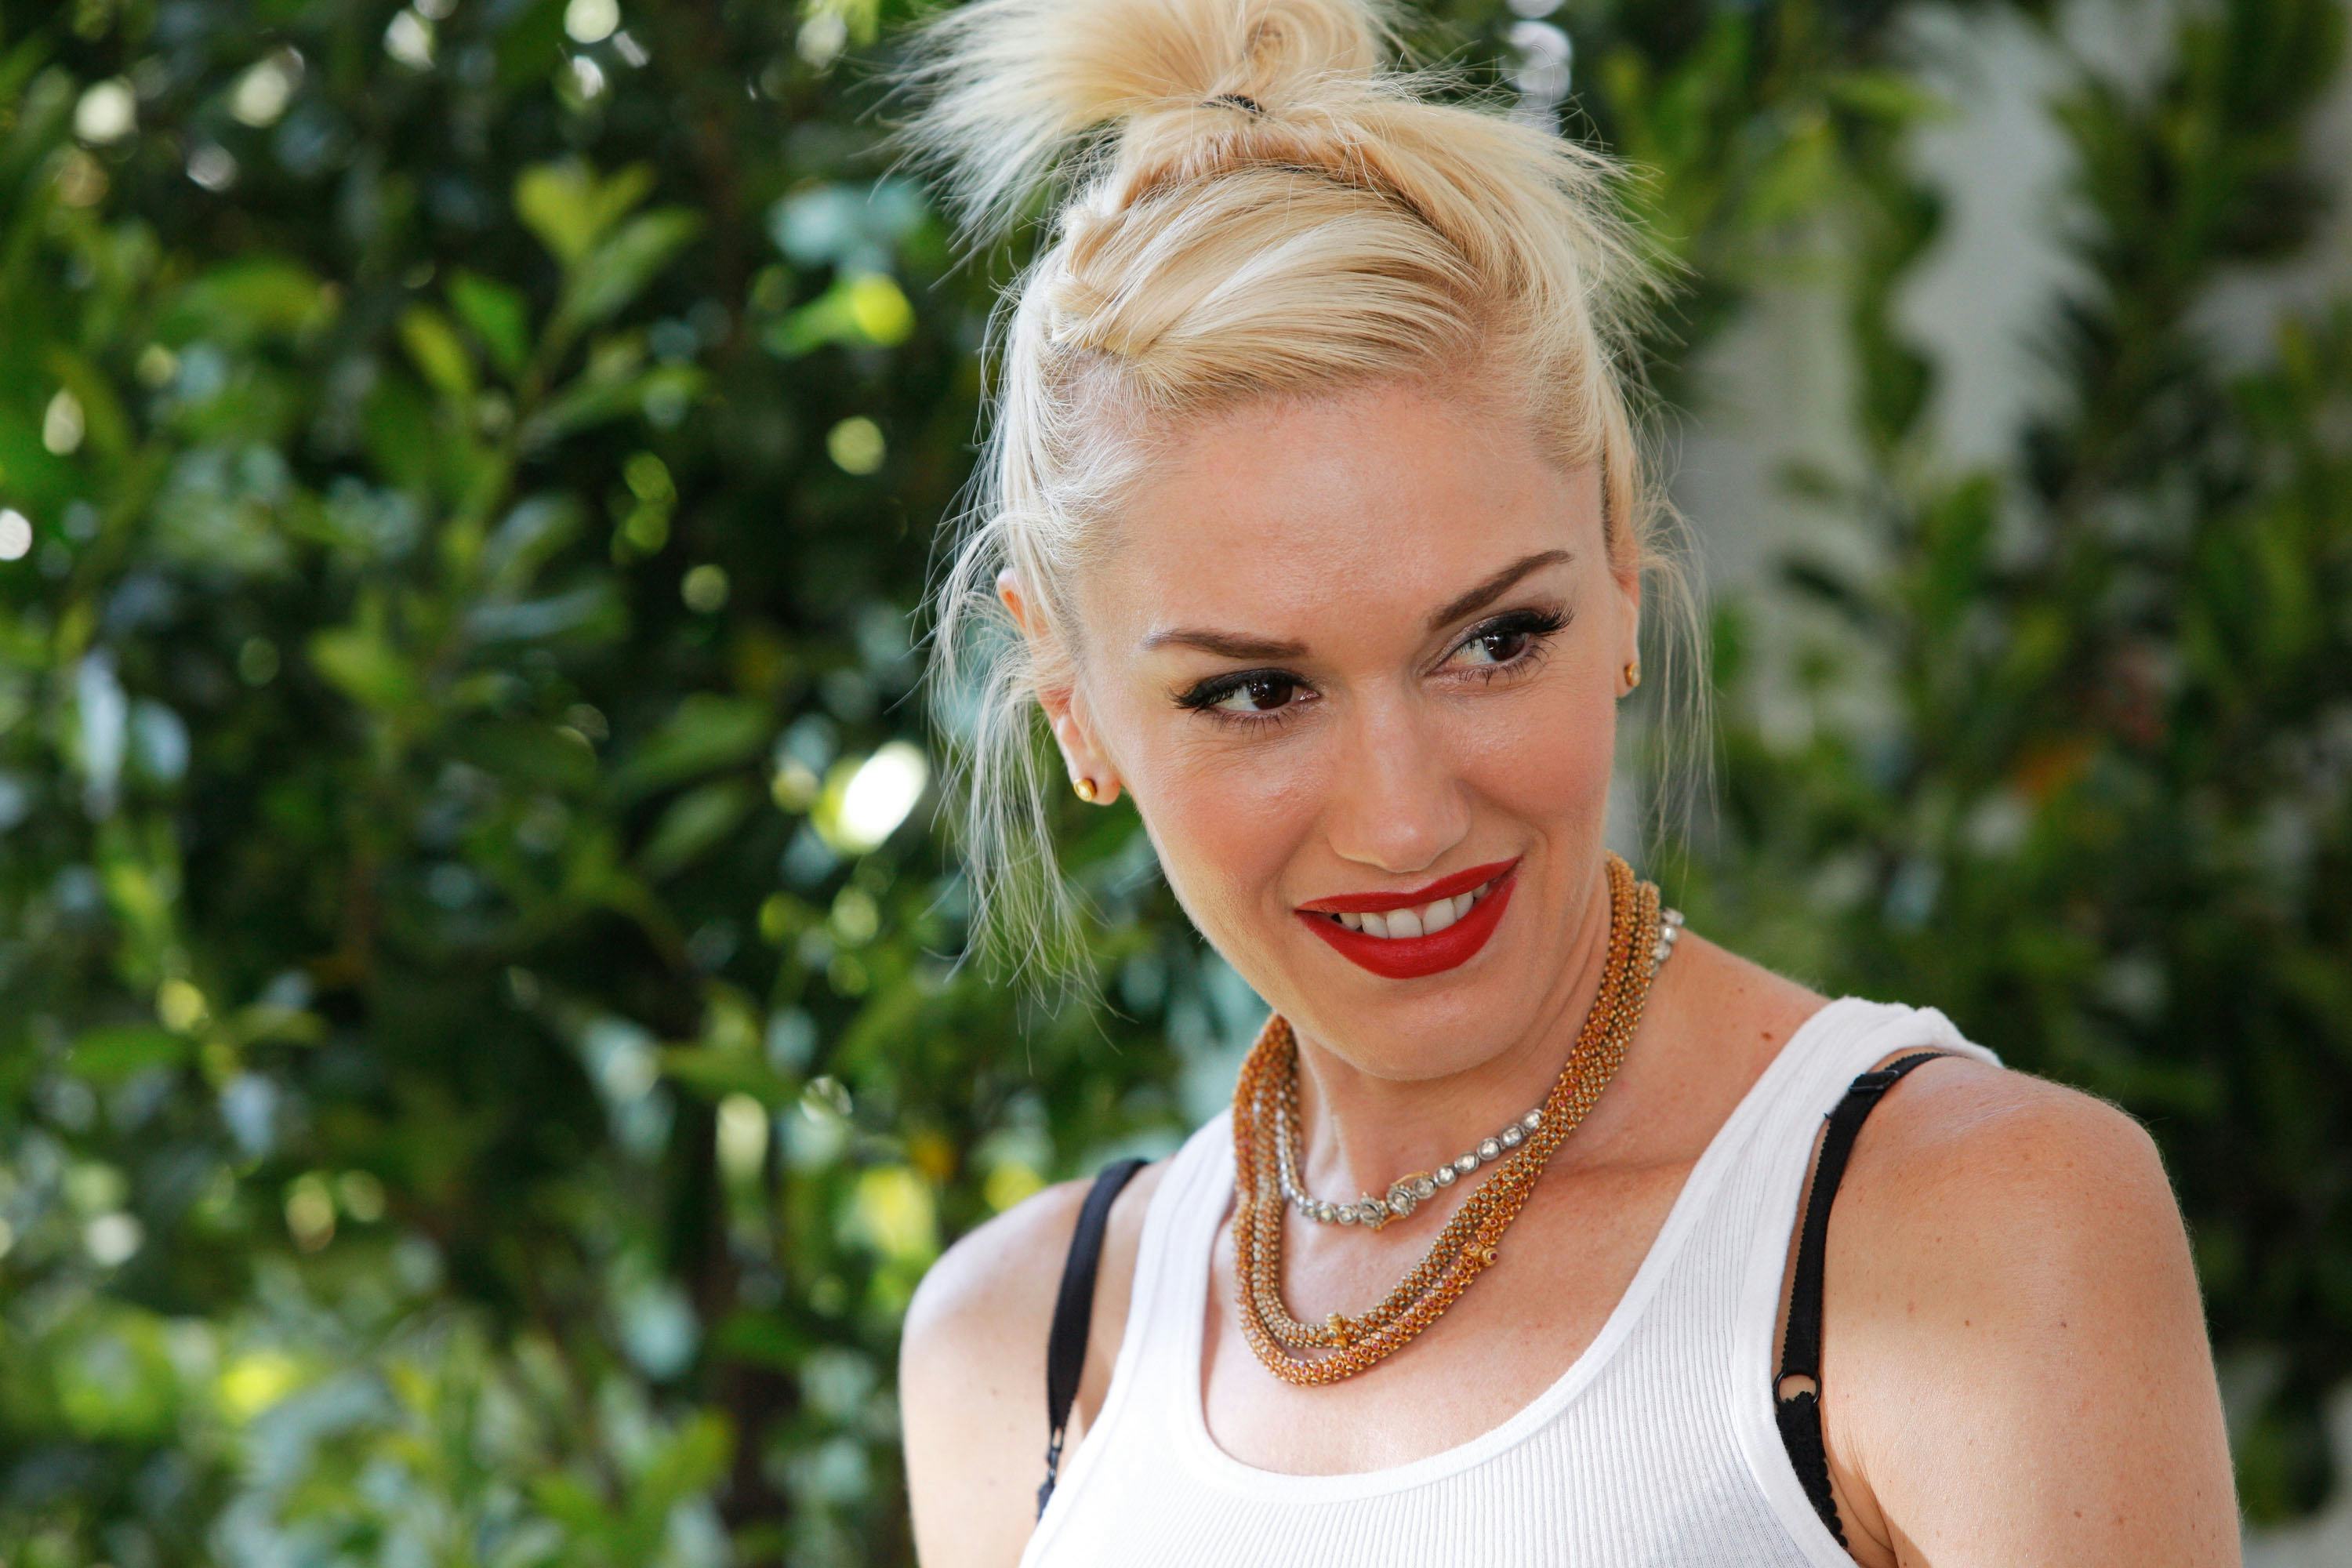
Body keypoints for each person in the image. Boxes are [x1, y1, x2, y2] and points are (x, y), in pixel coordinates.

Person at [878, 2, 2241, 1564]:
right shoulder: (1017, 1354)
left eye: (1493, 642)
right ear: (1071, 704)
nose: (1404, 819)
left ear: (1620, 580)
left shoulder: (1967, 1231)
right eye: (1255, 692)